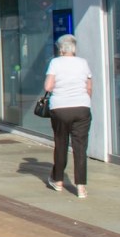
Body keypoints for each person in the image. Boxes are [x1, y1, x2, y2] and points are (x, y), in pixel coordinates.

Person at [44, 34, 94, 198]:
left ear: (60, 49)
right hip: (81, 107)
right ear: (74, 48)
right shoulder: (83, 63)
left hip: (60, 108)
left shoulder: (55, 63)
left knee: (61, 143)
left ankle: (58, 180)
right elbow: (89, 88)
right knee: (80, 147)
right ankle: (81, 187)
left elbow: (49, 86)